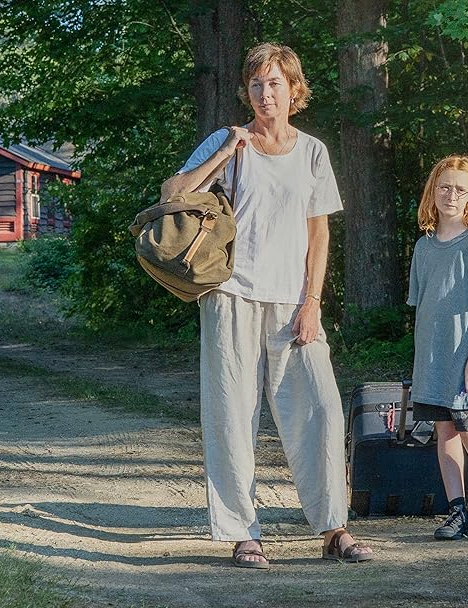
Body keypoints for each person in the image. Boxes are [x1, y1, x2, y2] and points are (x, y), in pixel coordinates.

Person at [160, 42, 373, 569]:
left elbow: (318, 233)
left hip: (293, 302)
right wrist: (225, 153)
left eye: (275, 83)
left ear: (293, 90)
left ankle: (334, 529)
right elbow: (171, 193)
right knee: (231, 416)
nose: (265, 93)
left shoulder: (313, 152)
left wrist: (313, 301)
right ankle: (243, 534)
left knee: (321, 410)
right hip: (230, 295)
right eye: (256, 84)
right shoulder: (227, 141)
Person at [407, 155, 468, 542]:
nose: (451, 195)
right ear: (433, 192)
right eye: (444, 187)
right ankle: (457, 511)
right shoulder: (424, 247)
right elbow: (424, 307)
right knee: (444, 433)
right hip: (431, 359)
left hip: (465, 358)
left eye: (459, 189)